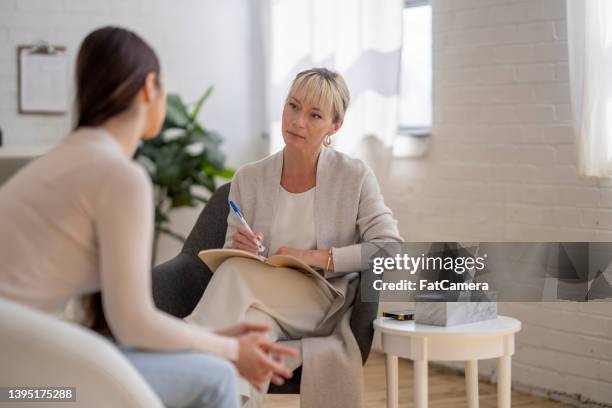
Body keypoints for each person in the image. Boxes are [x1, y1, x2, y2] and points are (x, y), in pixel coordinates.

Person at [0, 26, 296, 408]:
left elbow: (118, 324)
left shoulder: (62, 160)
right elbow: (133, 322)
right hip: (25, 384)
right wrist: (227, 348)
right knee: (217, 376)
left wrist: (219, 338)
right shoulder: (118, 175)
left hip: (17, 373)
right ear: (148, 87)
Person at [187, 67, 402, 406]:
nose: (298, 121)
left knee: (236, 274)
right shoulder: (250, 177)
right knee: (254, 335)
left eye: (314, 115)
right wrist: (240, 247)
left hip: (322, 301)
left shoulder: (355, 176)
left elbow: (390, 250)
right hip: (265, 299)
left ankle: (181, 353)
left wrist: (318, 257)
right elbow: (232, 247)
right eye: (293, 106)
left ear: (335, 125)